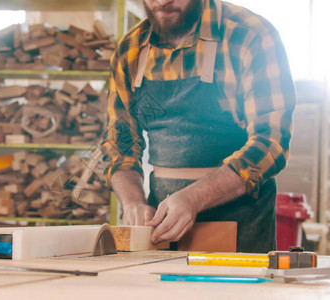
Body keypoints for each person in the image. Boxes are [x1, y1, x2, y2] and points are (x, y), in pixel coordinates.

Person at [101, 0, 296, 253]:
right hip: (160, 229)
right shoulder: (131, 49)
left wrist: (193, 198)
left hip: (240, 226)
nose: (161, 1)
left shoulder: (249, 35)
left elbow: (271, 144)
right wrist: (133, 202)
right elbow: (120, 143)